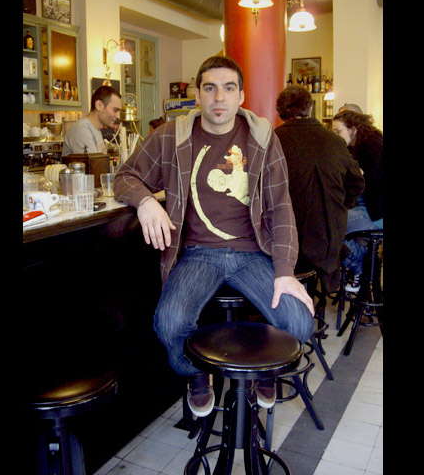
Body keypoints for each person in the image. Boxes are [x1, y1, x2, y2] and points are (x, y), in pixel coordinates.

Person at [114, 56, 315, 418]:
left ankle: (265, 370)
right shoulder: (171, 136)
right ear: (197, 95)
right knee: (169, 323)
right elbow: (124, 176)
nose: (219, 97)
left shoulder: (262, 137)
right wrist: (145, 201)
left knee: (299, 322)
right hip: (197, 253)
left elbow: (281, 208)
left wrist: (285, 271)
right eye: (210, 88)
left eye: (228, 88)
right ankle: (196, 374)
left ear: (241, 96)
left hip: (253, 253)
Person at [274, 86, 365, 294]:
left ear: (281, 112)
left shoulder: (274, 140)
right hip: (328, 238)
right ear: (310, 108)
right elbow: (357, 183)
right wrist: (338, 205)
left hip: (287, 238)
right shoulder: (334, 141)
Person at [332, 110, 383, 292]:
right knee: (332, 225)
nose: (336, 136)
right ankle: (364, 267)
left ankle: (359, 269)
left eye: (338, 131)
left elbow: (368, 179)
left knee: (329, 226)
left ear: (353, 129)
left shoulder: (370, 145)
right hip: (370, 208)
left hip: (376, 212)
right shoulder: (364, 143)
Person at [62, 85, 122, 156]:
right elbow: (94, 162)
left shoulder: (96, 130)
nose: (118, 116)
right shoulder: (82, 130)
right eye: (115, 110)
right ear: (99, 105)